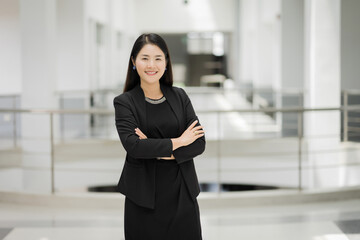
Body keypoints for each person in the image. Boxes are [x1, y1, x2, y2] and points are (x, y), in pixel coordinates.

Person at [113, 33, 206, 240]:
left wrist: (161, 151)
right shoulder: (125, 102)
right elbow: (134, 146)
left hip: (183, 193)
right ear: (134, 62)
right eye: (145, 58)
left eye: (158, 58)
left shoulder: (179, 96)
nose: (151, 65)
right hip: (143, 198)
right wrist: (179, 142)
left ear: (166, 62)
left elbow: (199, 143)